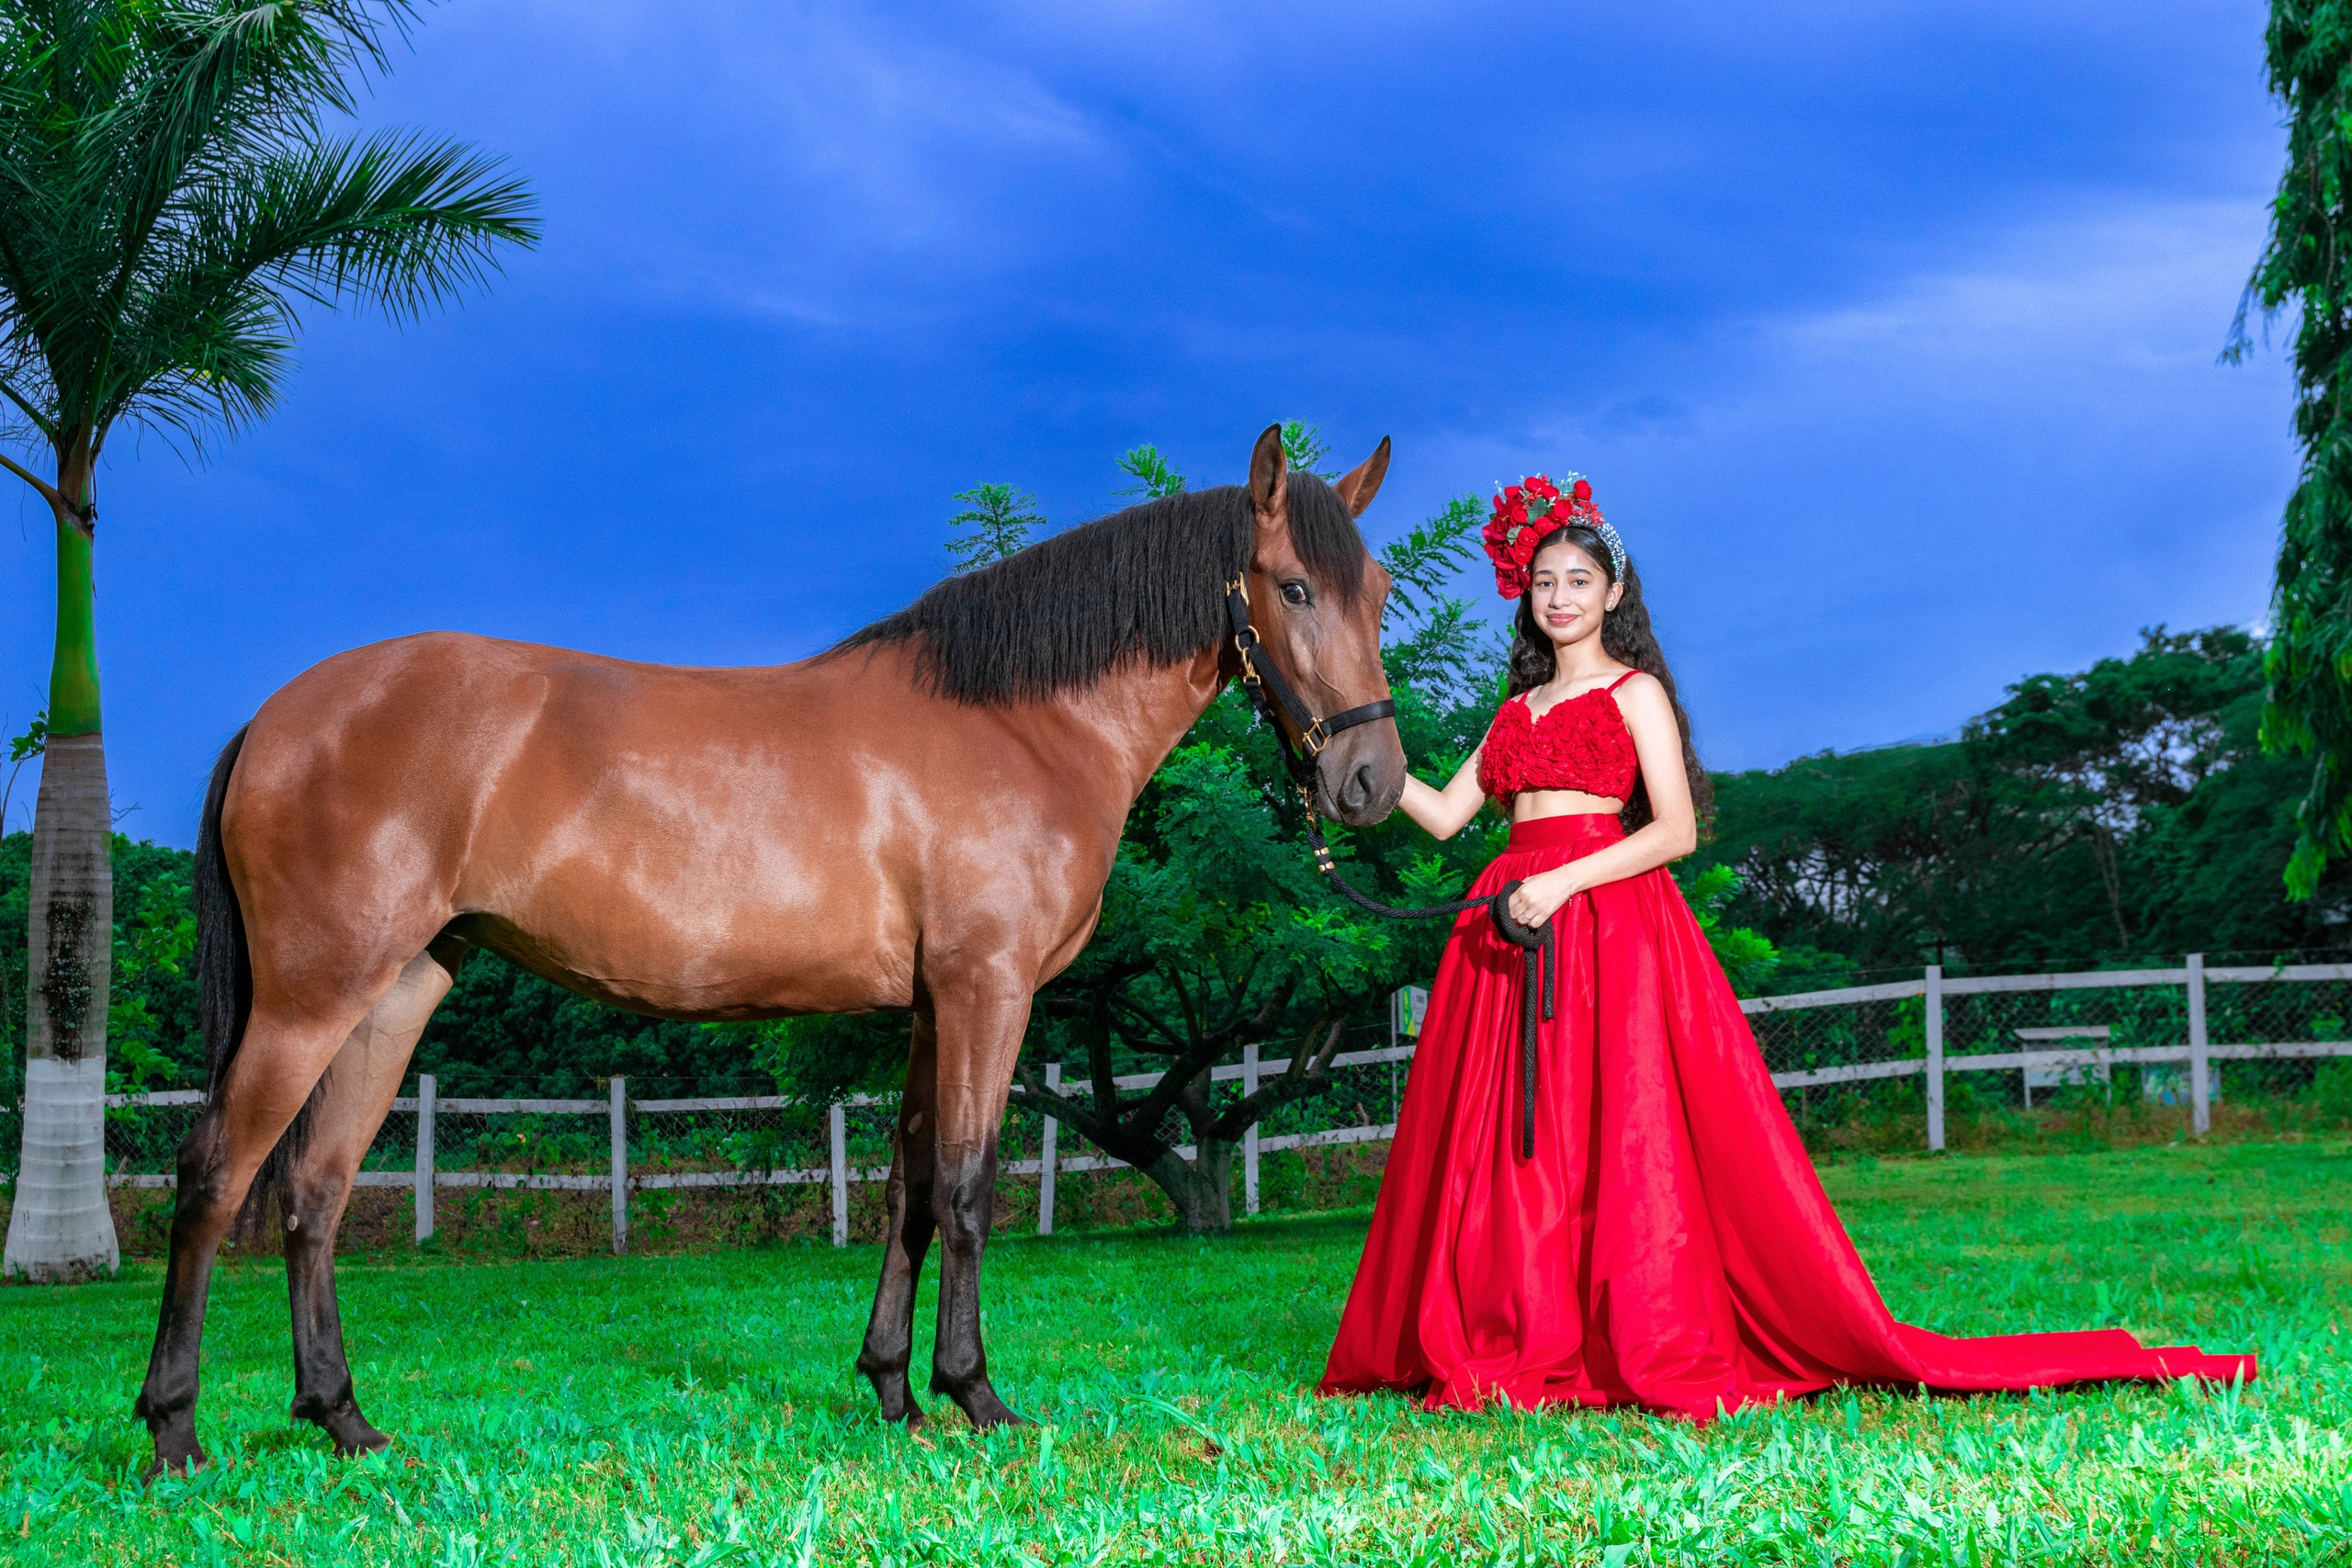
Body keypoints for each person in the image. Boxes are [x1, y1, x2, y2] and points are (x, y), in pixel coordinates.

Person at [1317, 474, 2255, 1420]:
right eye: (1544, 583)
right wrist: (1348, 754)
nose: (1559, 598)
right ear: (1526, 596)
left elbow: (1674, 830)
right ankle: (1514, 1323)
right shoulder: (1514, 711)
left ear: (1611, 595)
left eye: (1577, 582)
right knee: (1510, 1140)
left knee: (1613, 1129)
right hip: (1505, 932)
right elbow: (1440, 816)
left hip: (1602, 920)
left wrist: (1561, 880)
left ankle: (1618, 1327)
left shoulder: (1633, 692)